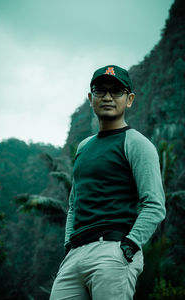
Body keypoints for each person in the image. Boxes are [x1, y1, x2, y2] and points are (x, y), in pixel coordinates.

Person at [49, 65, 166, 300]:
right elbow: (75, 203)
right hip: (75, 255)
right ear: (90, 98)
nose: (108, 97)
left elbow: (154, 204)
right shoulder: (83, 147)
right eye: (100, 91)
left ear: (129, 99)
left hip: (113, 251)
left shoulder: (136, 144)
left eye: (116, 91)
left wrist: (129, 245)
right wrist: (68, 246)